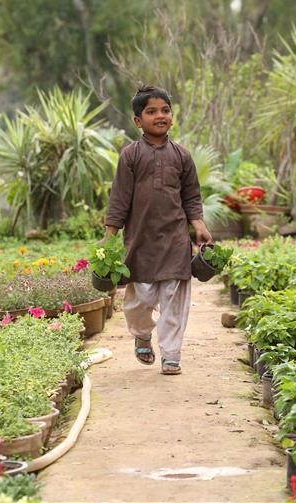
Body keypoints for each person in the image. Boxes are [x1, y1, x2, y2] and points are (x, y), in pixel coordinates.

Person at [103, 85, 213, 375]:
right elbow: (119, 198)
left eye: (165, 110)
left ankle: (171, 354)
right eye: (151, 111)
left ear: (172, 116)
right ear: (138, 121)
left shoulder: (182, 156)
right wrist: (109, 237)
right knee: (139, 301)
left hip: (175, 240)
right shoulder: (130, 156)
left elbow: (191, 196)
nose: (160, 116)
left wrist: (198, 225)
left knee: (175, 300)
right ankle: (142, 334)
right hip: (140, 242)